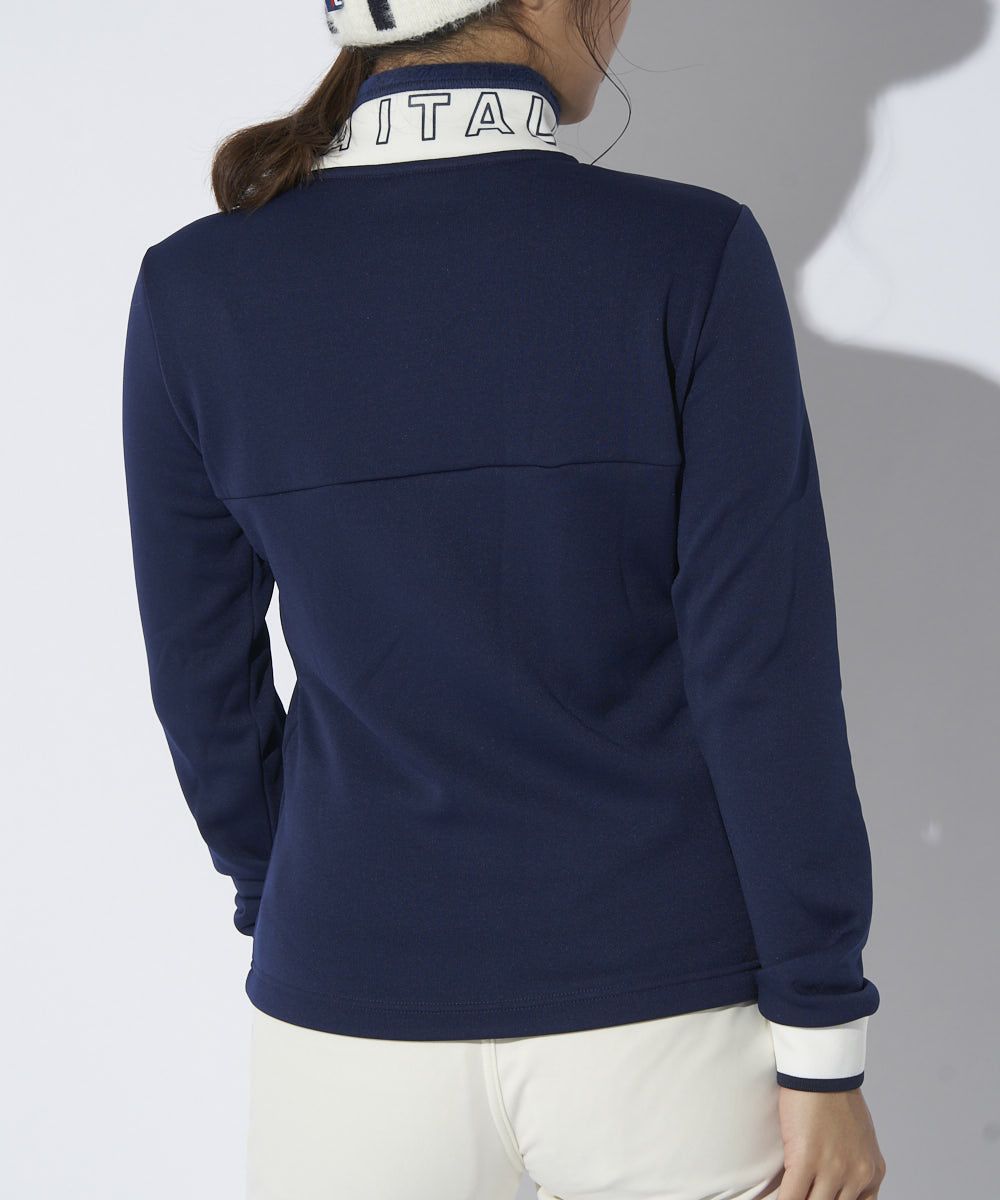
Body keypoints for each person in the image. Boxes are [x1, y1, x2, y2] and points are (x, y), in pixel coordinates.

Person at [121, 1, 887, 1197]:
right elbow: (763, 681)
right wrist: (821, 1036)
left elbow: (199, 680)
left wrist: (299, 901)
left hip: (347, 1023)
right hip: (663, 1019)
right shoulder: (689, 254)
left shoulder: (195, 287)